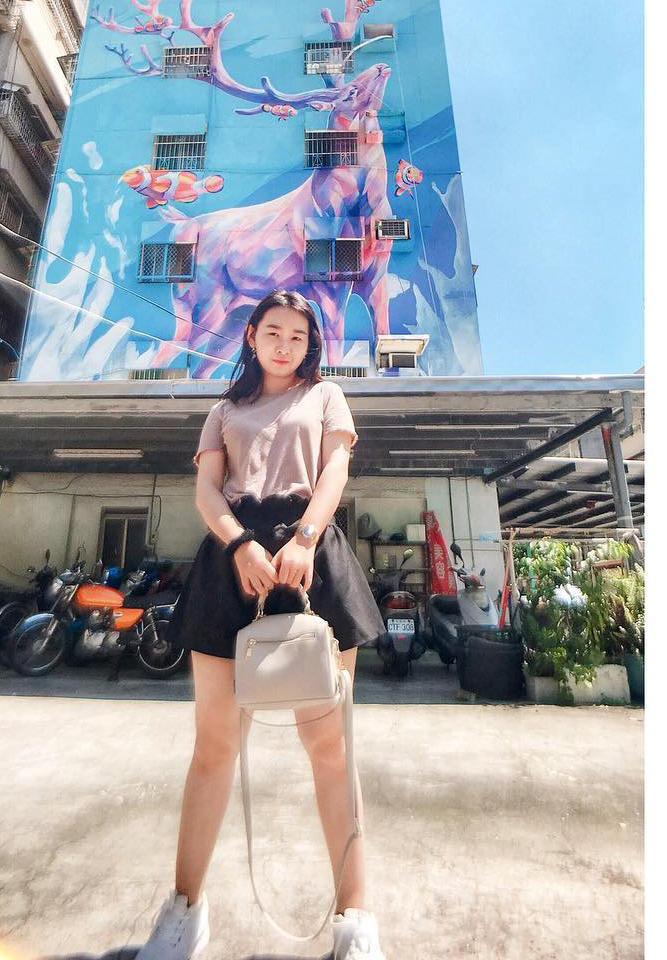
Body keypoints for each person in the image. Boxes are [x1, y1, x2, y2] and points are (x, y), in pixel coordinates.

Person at [137, 289, 387, 960]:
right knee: (214, 747)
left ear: (311, 346)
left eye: (298, 336)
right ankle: (185, 910)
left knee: (330, 750)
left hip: (312, 559)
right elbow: (206, 491)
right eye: (273, 331)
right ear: (251, 336)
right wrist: (241, 544)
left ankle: (354, 918)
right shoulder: (224, 410)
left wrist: (305, 537)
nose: (285, 344)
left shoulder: (327, 395)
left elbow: (335, 468)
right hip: (233, 563)